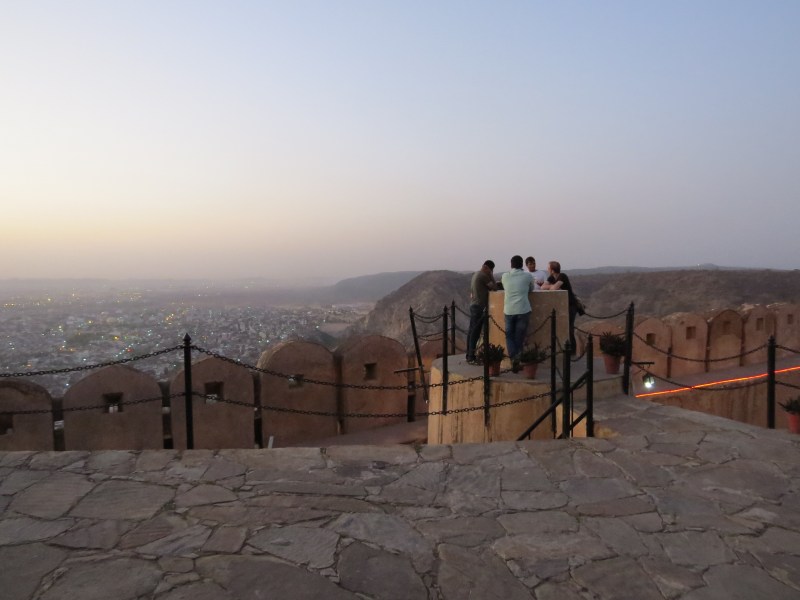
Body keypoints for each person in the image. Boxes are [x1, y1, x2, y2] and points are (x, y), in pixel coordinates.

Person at [501, 255, 532, 367]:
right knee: (519, 335)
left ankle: (514, 358)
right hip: (523, 309)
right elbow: (531, 288)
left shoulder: (505, 276)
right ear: (522, 264)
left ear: (511, 264)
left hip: (509, 310)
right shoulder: (527, 276)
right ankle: (518, 357)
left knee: (509, 335)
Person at [541, 260, 578, 354]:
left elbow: (553, 288)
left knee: (569, 328)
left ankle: (572, 351)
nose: (547, 269)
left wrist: (551, 286)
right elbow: (542, 287)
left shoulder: (562, 276)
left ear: (552, 270)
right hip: (563, 306)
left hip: (571, 306)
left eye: (548, 268)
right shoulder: (551, 277)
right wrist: (552, 286)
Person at [466, 260, 496, 363]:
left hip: (474, 305)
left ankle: (469, 355)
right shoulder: (483, 275)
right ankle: (471, 356)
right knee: (476, 332)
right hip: (479, 306)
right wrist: (491, 276)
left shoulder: (476, 274)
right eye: (491, 270)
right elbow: (494, 288)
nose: (490, 272)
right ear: (486, 268)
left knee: (471, 331)